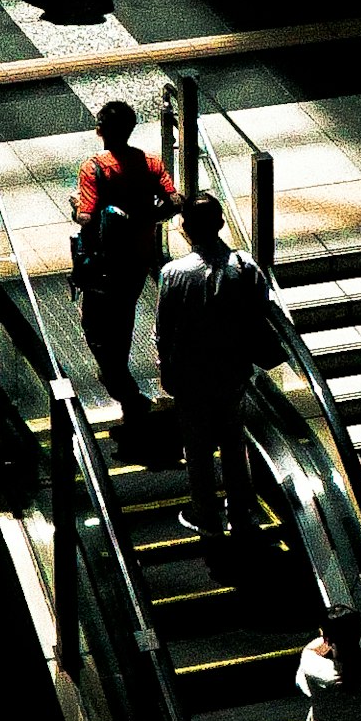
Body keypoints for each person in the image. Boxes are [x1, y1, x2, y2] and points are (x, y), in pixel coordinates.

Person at [152, 190, 286, 560]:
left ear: (185, 229)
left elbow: (163, 329)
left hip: (190, 377)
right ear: (222, 224)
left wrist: (166, 369)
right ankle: (242, 512)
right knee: (233, 441)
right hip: (232, 371)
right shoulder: (244, 265)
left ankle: (207, 515)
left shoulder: (174, 274)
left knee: (196, 448)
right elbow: (269, 311)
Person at [69, 98, 180, 422]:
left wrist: (76, 205)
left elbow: (87, 218)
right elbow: (175, 200)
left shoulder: (95, 168)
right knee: (123, 316)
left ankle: (118, 379)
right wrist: (145, 218)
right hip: (137, 258)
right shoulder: (151, 164)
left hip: (102, 262)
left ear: (100, 130)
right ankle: (118, 373)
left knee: (93, 323)